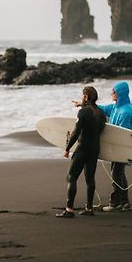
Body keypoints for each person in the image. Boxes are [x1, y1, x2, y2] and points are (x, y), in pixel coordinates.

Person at [56, 86, 106, 218]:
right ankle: (89, 208)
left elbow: (76, 132)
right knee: (90, 178)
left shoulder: (83, 112)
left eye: (82, 96)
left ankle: (69, 210)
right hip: (95, 149)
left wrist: (67, 148)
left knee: (71, 177)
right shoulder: (101, 114)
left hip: (83, 148)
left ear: (85, 97)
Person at [98, 81, 132, 212]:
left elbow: (123, 135)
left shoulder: (125, 111)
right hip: (115, 148)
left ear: (120, 93)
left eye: (113, 91)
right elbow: (101, 108)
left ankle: (116, 203)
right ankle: (124, 202)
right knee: (119, 173)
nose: (111, 93)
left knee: (116, 174)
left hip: (121, 148)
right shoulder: (115, 107)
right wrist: (85, 104)